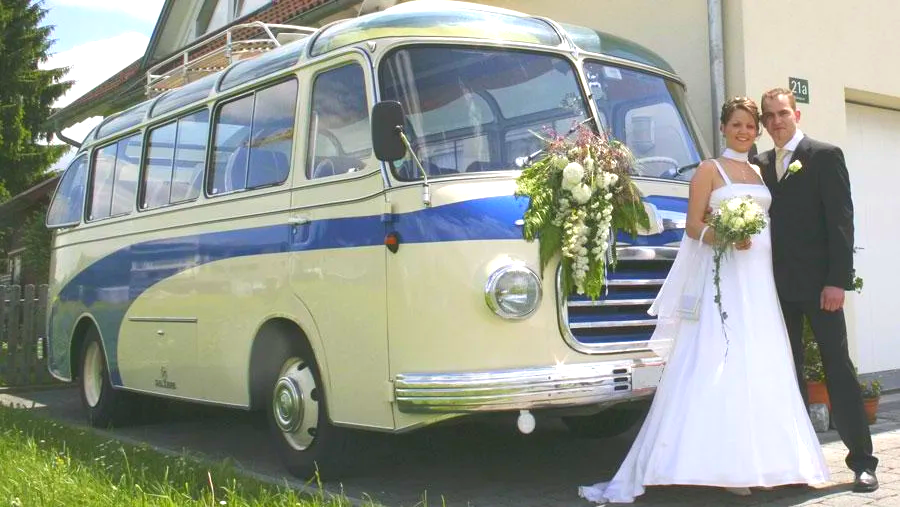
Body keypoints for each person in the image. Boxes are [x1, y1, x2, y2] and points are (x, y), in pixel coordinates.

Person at [578, 97, 829, 504]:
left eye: (750, 125)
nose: (744, 131)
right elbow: (693, 227)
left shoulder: (761, 171)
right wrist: (724, 236)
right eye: (736, 124)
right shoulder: (709, 170)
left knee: (763, 360)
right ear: (724, 127)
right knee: (721, 357)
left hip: (760, 281)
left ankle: (772, 462)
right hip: (725, 277)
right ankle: (721, 465)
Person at [755, 87, 878, 492]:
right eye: (769, 115)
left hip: (821, 287)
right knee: (787, 373)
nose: (776, 121)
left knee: (837, 369)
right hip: (774, 288)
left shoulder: (824, 156)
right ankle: (798, 465)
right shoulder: (759, 164)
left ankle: (863, 462)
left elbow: (841, 222)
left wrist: (837, 281)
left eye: (782, 113)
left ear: (797, 115)